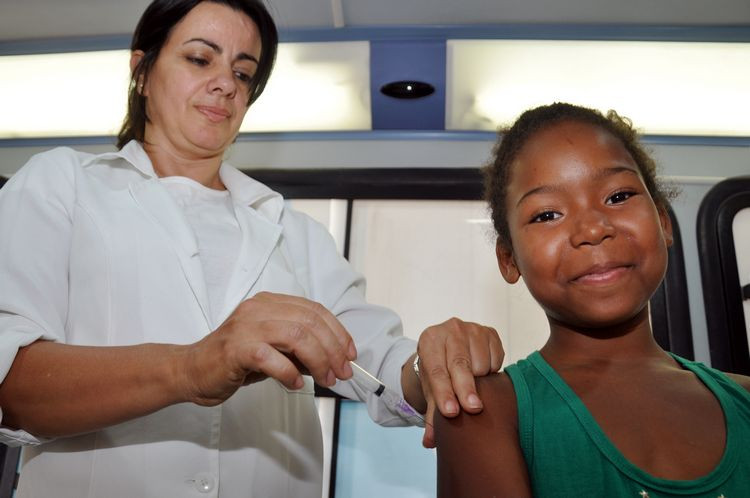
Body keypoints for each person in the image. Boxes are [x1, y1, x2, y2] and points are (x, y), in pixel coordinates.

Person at [0, 1, 504, 496]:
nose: (225, 83)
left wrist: (434, 364)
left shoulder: (294, 232)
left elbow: (376, 366)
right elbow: (12, 385)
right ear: (142, 69)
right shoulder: (60, 185)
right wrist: (192, 366)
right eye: (201, 59)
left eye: (244, 73)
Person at [435, 102, 750, 497]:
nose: (593, 229)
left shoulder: (744, 400)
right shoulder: (484, 410)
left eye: (618, 196)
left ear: (663, 222)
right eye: (547, 215)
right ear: (509, 258)